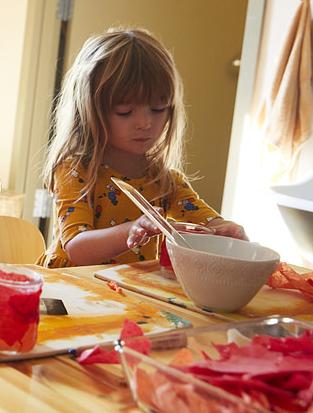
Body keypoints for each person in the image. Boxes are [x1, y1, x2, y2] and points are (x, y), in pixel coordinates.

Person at [37, 28, 246, 268]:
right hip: (69, 286)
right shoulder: (74, 171)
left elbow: (208, 223)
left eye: (158, 109)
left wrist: (226, 230)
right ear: (90, 111)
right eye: (125, 112)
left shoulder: (165, 182)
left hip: (125, 288)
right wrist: (132, 229)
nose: (145, 123)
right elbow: (78, 249)